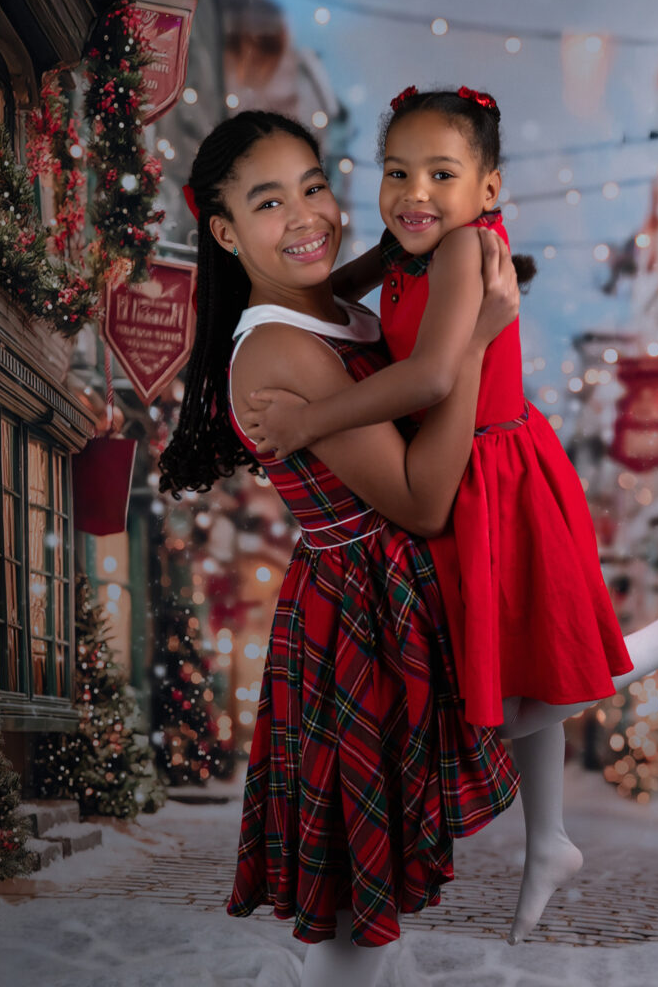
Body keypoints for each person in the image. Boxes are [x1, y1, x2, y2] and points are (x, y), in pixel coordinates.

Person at [243, 86, 658, 944]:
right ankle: (547, 839)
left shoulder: (458, 253)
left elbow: (435, 380)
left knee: (493, 691)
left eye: (441, 173)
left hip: (487, 477)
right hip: (479, 465)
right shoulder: (415, 243)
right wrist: (300, 282)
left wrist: (309, 418)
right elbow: (344, 280)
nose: (413, 191)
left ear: (489, 190)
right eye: (396, 171)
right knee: (516, 665)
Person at [158, 109, 523, 987]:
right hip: (361, 609)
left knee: (362, 907)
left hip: (380, 589)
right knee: (354, 901)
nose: (306, 215)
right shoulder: (279, 345)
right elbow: (423, 498)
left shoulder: (323, 305)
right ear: (224, 230)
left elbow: (392, 259)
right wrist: (473, 336)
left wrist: (440, 236)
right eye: (270, 202)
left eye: (315, 186)